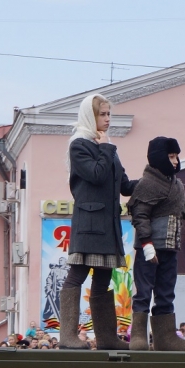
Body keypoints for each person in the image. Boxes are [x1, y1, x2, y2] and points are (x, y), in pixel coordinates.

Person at [59, 93, 136, 351]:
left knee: (103, 280)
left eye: (108, 114)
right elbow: (95, 174)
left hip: (108, 226)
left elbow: (124, 186)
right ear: (89, 116)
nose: (107, 119)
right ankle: (67, 336)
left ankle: (106, 338)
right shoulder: (79, 144)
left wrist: (154, 180)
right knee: (76, 276)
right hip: (89, 224)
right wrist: (105, 148)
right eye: (102, 114)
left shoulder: (107, 146)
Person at [129, 136, 185, 351]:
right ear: (159, 157)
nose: (176, 161)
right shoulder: (146, 184)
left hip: (170, 248)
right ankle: (138, 336)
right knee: (144, 292)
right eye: (171, 156)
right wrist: (147, 245)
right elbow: (140, 215)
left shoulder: (176, 184)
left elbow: (184, 207)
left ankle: (165, 338)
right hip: (149, 248)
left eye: (176, 156)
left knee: (166, 292)